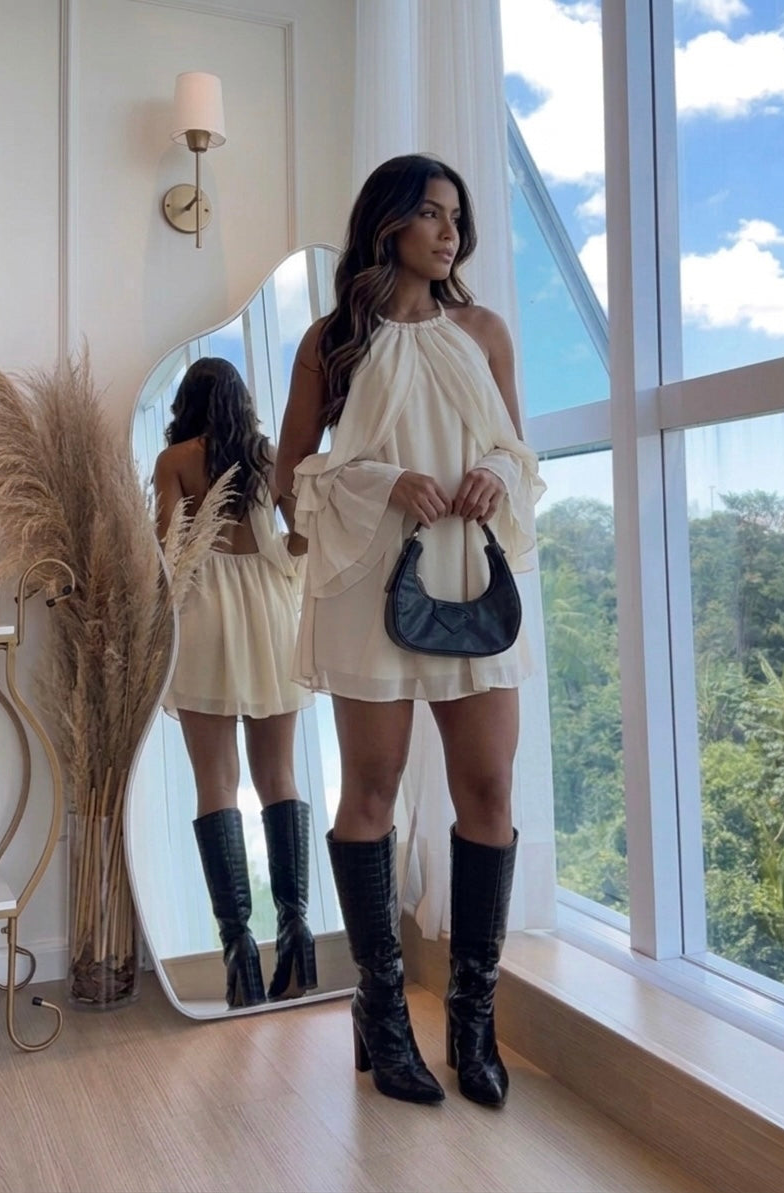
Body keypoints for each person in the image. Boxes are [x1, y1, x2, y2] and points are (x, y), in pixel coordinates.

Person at [275, 154, 545, 1106]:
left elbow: (517, 450)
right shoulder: (331, 341)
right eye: (431, 213)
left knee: (489, 787)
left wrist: (496, 476)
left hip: (469, 572)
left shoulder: (484, 332)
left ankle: (474, 1019)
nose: (450, 231)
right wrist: (385, 481)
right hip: (368, 584)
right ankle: (383, 1013)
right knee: (372, 789)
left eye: (456, 216)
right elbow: (290, 480)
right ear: (387, 222)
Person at [154, 357, 317, 1009]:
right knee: (280, 777)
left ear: (187, 403)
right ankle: (298, 936)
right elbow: (304, 535)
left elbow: (167, 552)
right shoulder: (267, 456)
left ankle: (239, 953)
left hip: (205, 612)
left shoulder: (175, 461)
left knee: (216, 783)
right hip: (269, 608)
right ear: (243, 402)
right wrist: (275, 562)